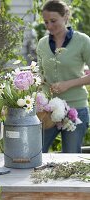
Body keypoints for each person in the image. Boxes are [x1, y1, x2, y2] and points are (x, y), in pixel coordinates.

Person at [36, 0, 90, 153]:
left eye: (53, 21)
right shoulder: (42, 44)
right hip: (48, 111)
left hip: (76, 108)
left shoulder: (83, 41)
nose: (49, 26)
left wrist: (68, 84)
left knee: (70, 158)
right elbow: (40, 74)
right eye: (46, 22)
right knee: (35, 153)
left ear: (65, 16)